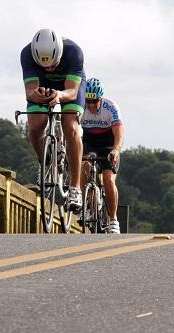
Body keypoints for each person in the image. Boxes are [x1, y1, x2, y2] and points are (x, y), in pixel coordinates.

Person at [20, 28, 86, 211]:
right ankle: (46, 160)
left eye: (53, 64)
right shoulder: (27, 54)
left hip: (69, 87)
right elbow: (30, 91)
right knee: (34, 126)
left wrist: (59, 95)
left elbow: (72, 91)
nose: (49, 68)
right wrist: (36, 95)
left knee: (70, 127)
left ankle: (75, 187)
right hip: (43, 85)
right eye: (44, 65)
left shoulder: (74, 52)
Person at [80, 78, 124, 233]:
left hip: (108, 145)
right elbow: (71, 127)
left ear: (101, 98)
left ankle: (113, 219)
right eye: (88, 101)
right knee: (83, 165)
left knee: (107, 179)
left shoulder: (110, 107)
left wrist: (116, 150)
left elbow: (118, 131)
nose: (91, 105)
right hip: (89, 142)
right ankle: (88, 202)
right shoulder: (82, 106)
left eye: (95, 101)